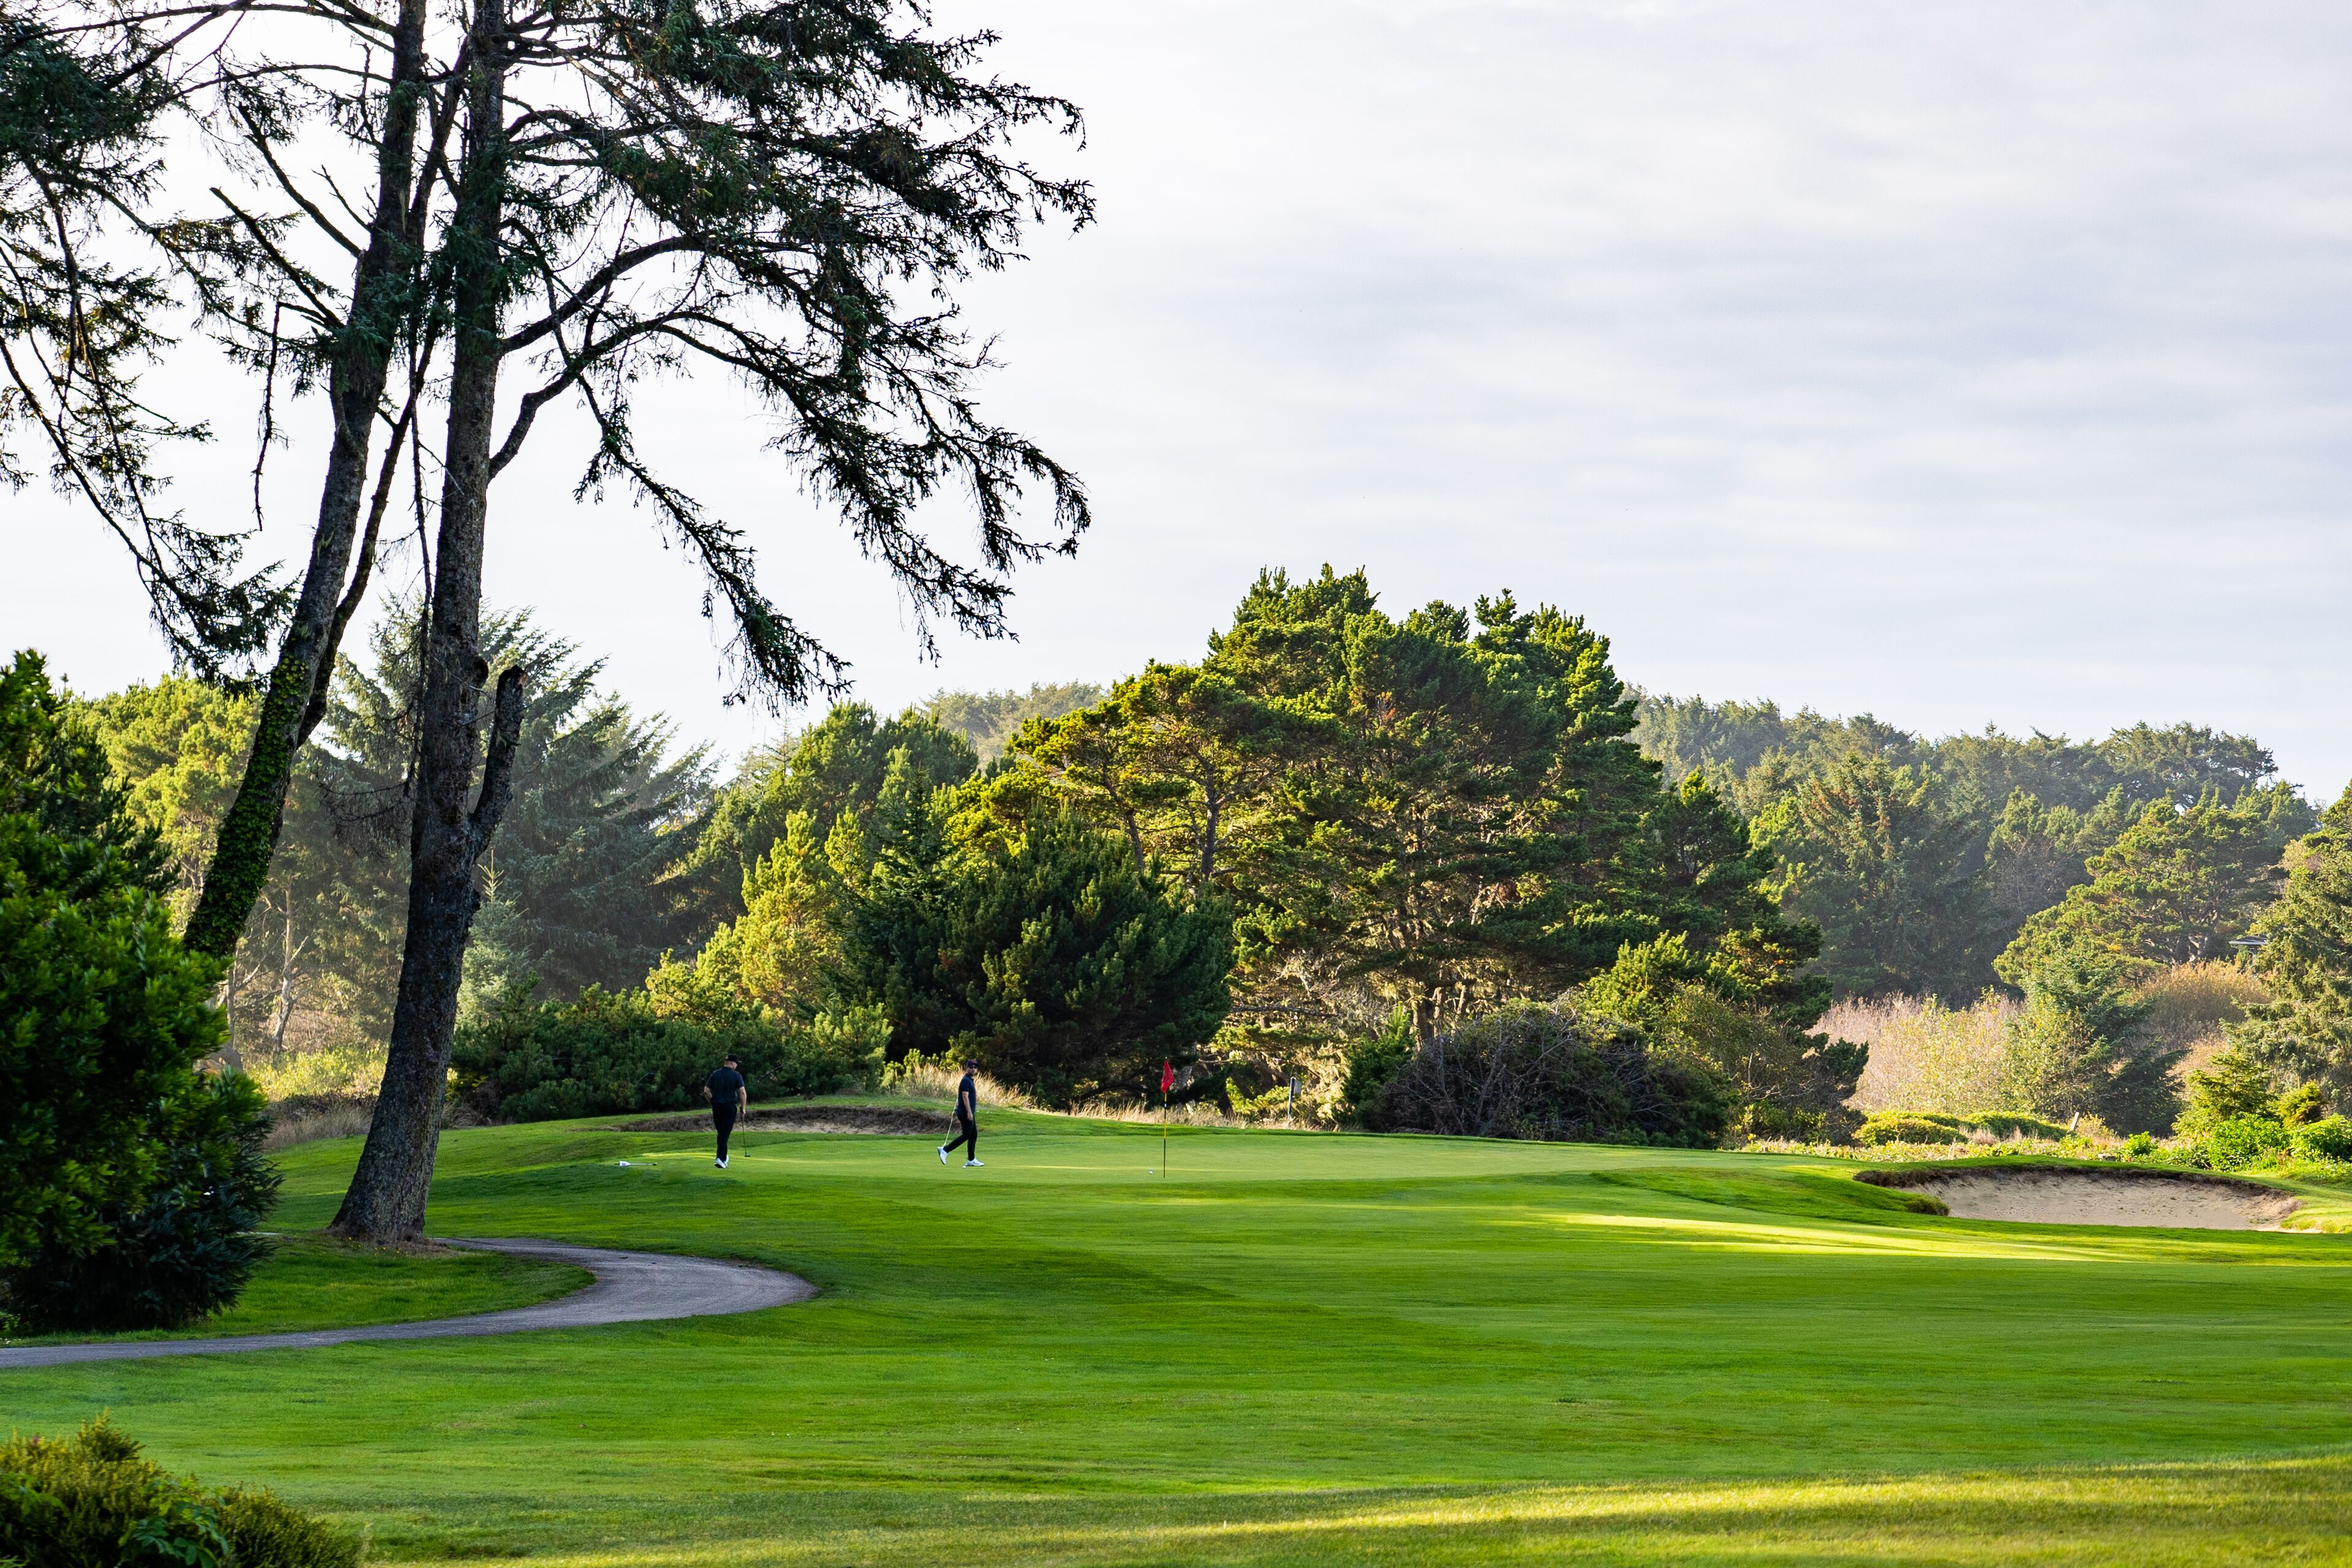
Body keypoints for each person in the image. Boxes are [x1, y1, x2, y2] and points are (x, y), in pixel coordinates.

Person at [703, 1054, 747, 1169]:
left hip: (717, 1108)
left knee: (722, 1133)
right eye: (736, 1064)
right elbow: (742, 1093)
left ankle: (723, 1157)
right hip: (729, 1108)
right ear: (733, 1063)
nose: (737, 1066)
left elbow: (706, 1091)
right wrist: (743, 1109)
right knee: (725, 1133)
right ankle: (720, 1158)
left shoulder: (715, 1074)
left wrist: (712, 1103)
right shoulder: (736, 1075)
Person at [938, 1065, 982, 1167]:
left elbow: (959, 1098)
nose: (973, 1069)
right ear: (967, 1068)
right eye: (971, 1067)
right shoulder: (966, 1081)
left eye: (975, 1067)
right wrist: (969, 1113)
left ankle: (971, 1159)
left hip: (967, 1112)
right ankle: (945, 1150)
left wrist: (955, 1110)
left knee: (973, 1134)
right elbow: (964, 1097)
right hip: (966, 1113)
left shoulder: (970, 1080)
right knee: (967, 1134)